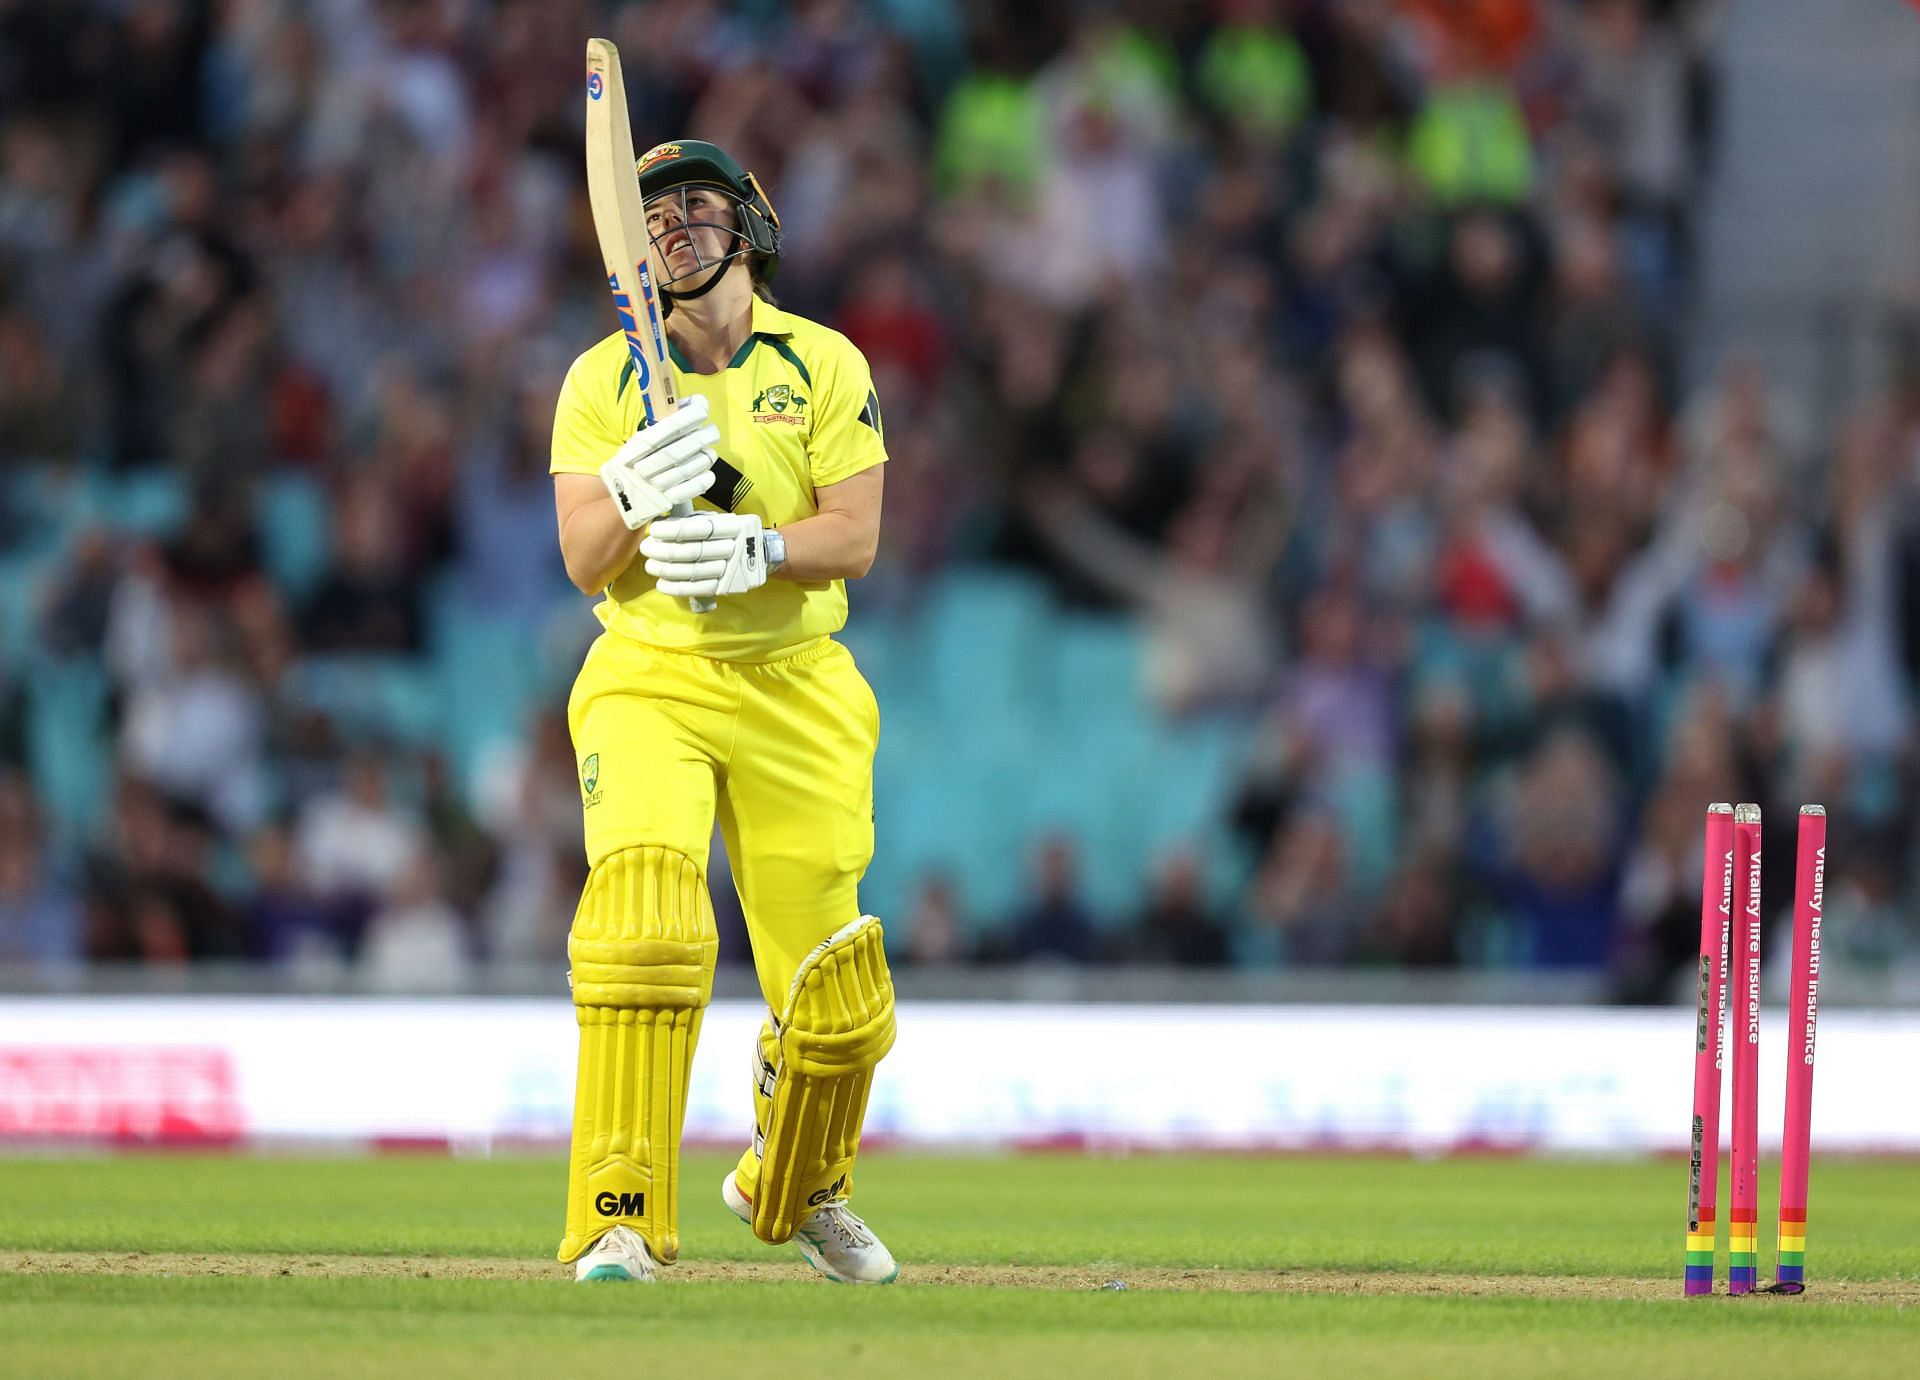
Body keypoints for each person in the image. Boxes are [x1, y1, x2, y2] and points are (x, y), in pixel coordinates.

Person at [547, 141, 896, 1286]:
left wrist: (758, 547)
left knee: (835, 995)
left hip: (799, 681)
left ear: (749, 223)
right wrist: (635, 490)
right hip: (653, 671)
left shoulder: (826, 362)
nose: (674, 226)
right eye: (651, 215)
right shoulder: (602, 378)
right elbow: (581, 558)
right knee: (645, 922)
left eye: (698, 204)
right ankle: (619, 1214)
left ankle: (797, 1185)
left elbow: (857, 533)